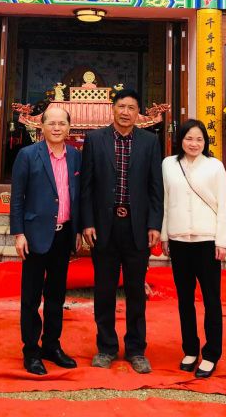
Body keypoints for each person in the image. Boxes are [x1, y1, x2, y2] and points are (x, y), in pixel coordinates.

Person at [81, 88, 163, 374]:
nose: (126, 112)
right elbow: (86, 187)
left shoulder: (150, 142)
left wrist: (155, 224)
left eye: (132, 107)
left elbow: (156, 188)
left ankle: (137, 349)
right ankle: (105, 347)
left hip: (137, 227)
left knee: (135, 291)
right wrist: (87, 223)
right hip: (104, 227)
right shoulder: (94, 140)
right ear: (112, 109)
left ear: (138, 112)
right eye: (121, 106)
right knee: (104, 290)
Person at [10, 105, 82, 376]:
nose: (56, 128)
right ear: (41, 126)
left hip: (63, 235)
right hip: (34, 235)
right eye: (51, 123)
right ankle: (31, 351)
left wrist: (76, 229)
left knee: (56, 295)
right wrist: (19, 233)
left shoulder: (75, 156)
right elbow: (17, 198)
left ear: (68, 127)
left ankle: (52, 345)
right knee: (31, 297)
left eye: (61, 123)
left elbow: (76, 195)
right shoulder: (28, 155)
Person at [161, 119, 226, 379]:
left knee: (211, 299)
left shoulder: (215, 166)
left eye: (199, 139)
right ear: (180, 140)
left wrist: (222, 240)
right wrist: (166, 234)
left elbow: (225, 204)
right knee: (184, 299)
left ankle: (211, 353)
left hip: (207, 242)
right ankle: (190, 348)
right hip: (179, 241)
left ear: (205, 141)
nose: (194, 143)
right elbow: (166, 202)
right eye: (189, 138)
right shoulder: (169, 164)